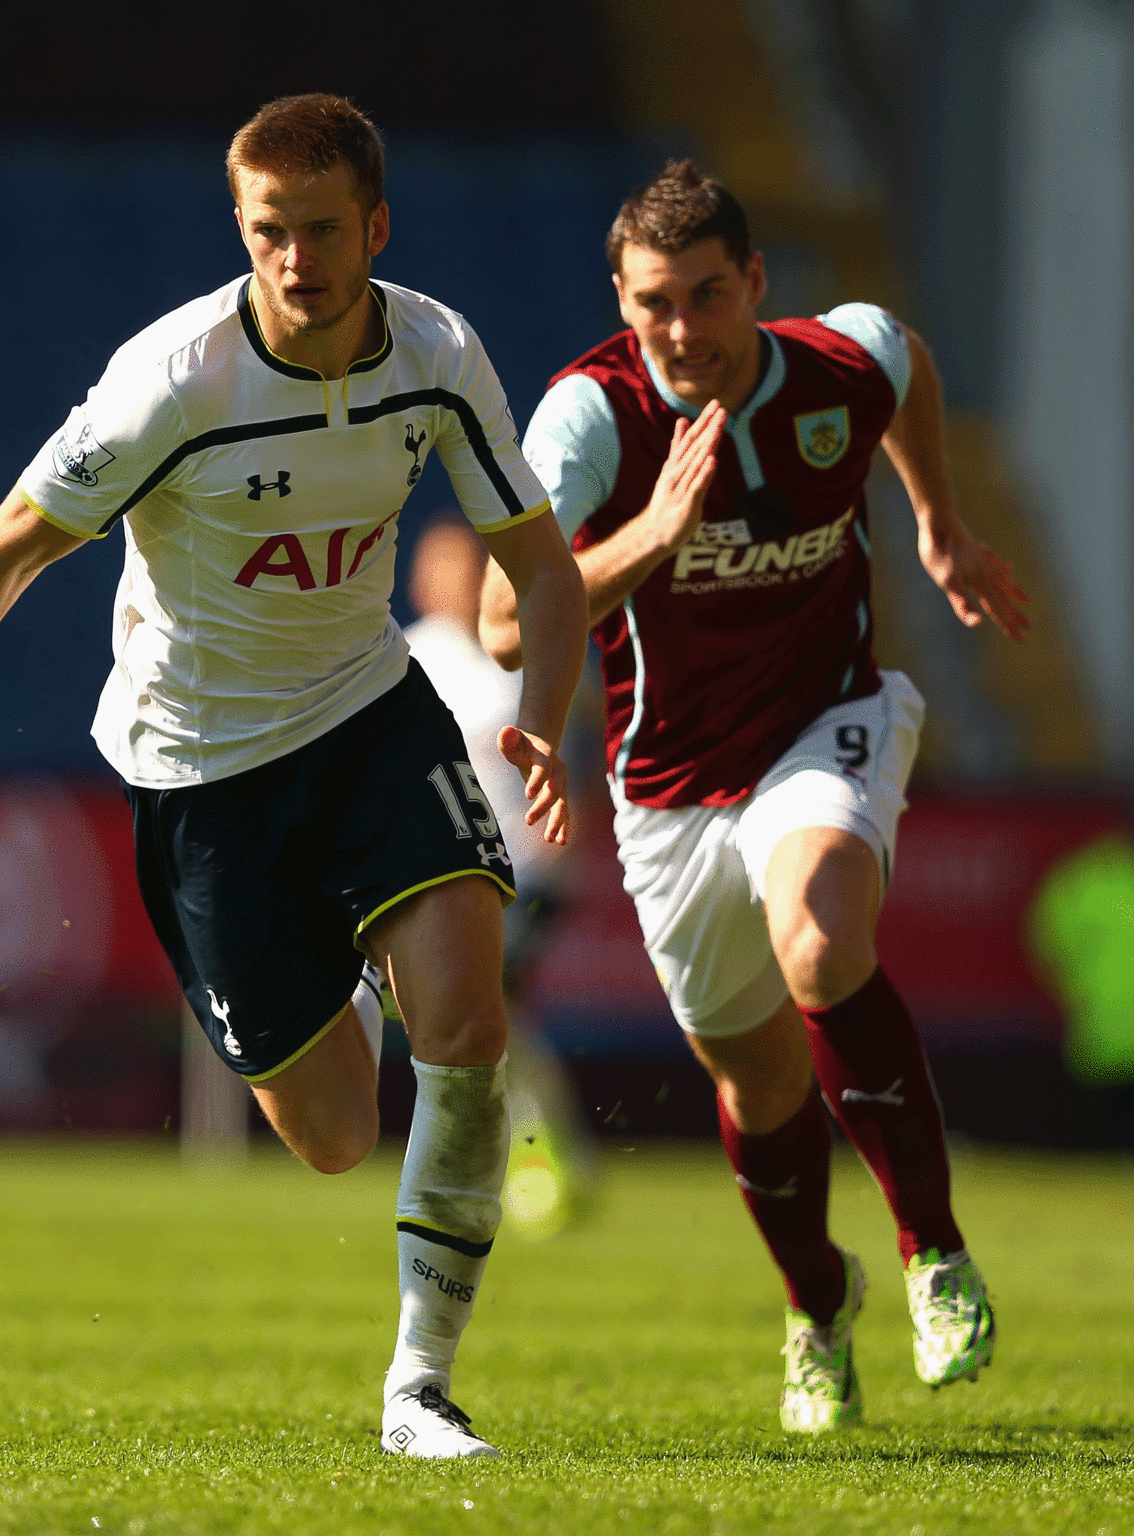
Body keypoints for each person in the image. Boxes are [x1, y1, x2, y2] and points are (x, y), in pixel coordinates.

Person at [0, 94, 588, 1459]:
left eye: (323, 229)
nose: (296, 259)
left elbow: (543, 568)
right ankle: (355, 961)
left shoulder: (441, 352)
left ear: (375, 227)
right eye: (269, 231)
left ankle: (419, 1391)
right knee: (334, 1131)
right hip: (204, 775)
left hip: (370, 712)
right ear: (241, 231)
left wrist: (544, 725)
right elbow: (7, 550)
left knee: (468, 1019)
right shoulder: (178, 379)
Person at [479, 161, 1030, 1433]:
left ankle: (931, 1256)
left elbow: (905, 364)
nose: (681, 331)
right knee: (756, 1087)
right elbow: (510, 621)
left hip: (822, 722)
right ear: (620, 300)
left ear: (757, 285)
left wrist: (936, 523)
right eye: (653, 303)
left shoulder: (835, 368)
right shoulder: (587, 421)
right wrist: (645, 543)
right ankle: (812, 1302)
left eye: (707, 296)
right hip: (667, 789)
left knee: (820, 942)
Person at [405, 515, 599, 1237]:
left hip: (528, 865)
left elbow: (573, 723)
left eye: (466, 566)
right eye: (440, 566)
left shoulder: (509, 653)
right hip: (450, 875)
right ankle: (546, 1151)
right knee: (480, 1011)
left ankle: (530, 1153)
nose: (452, 581)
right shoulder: (407, 654)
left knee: (484, 1003)